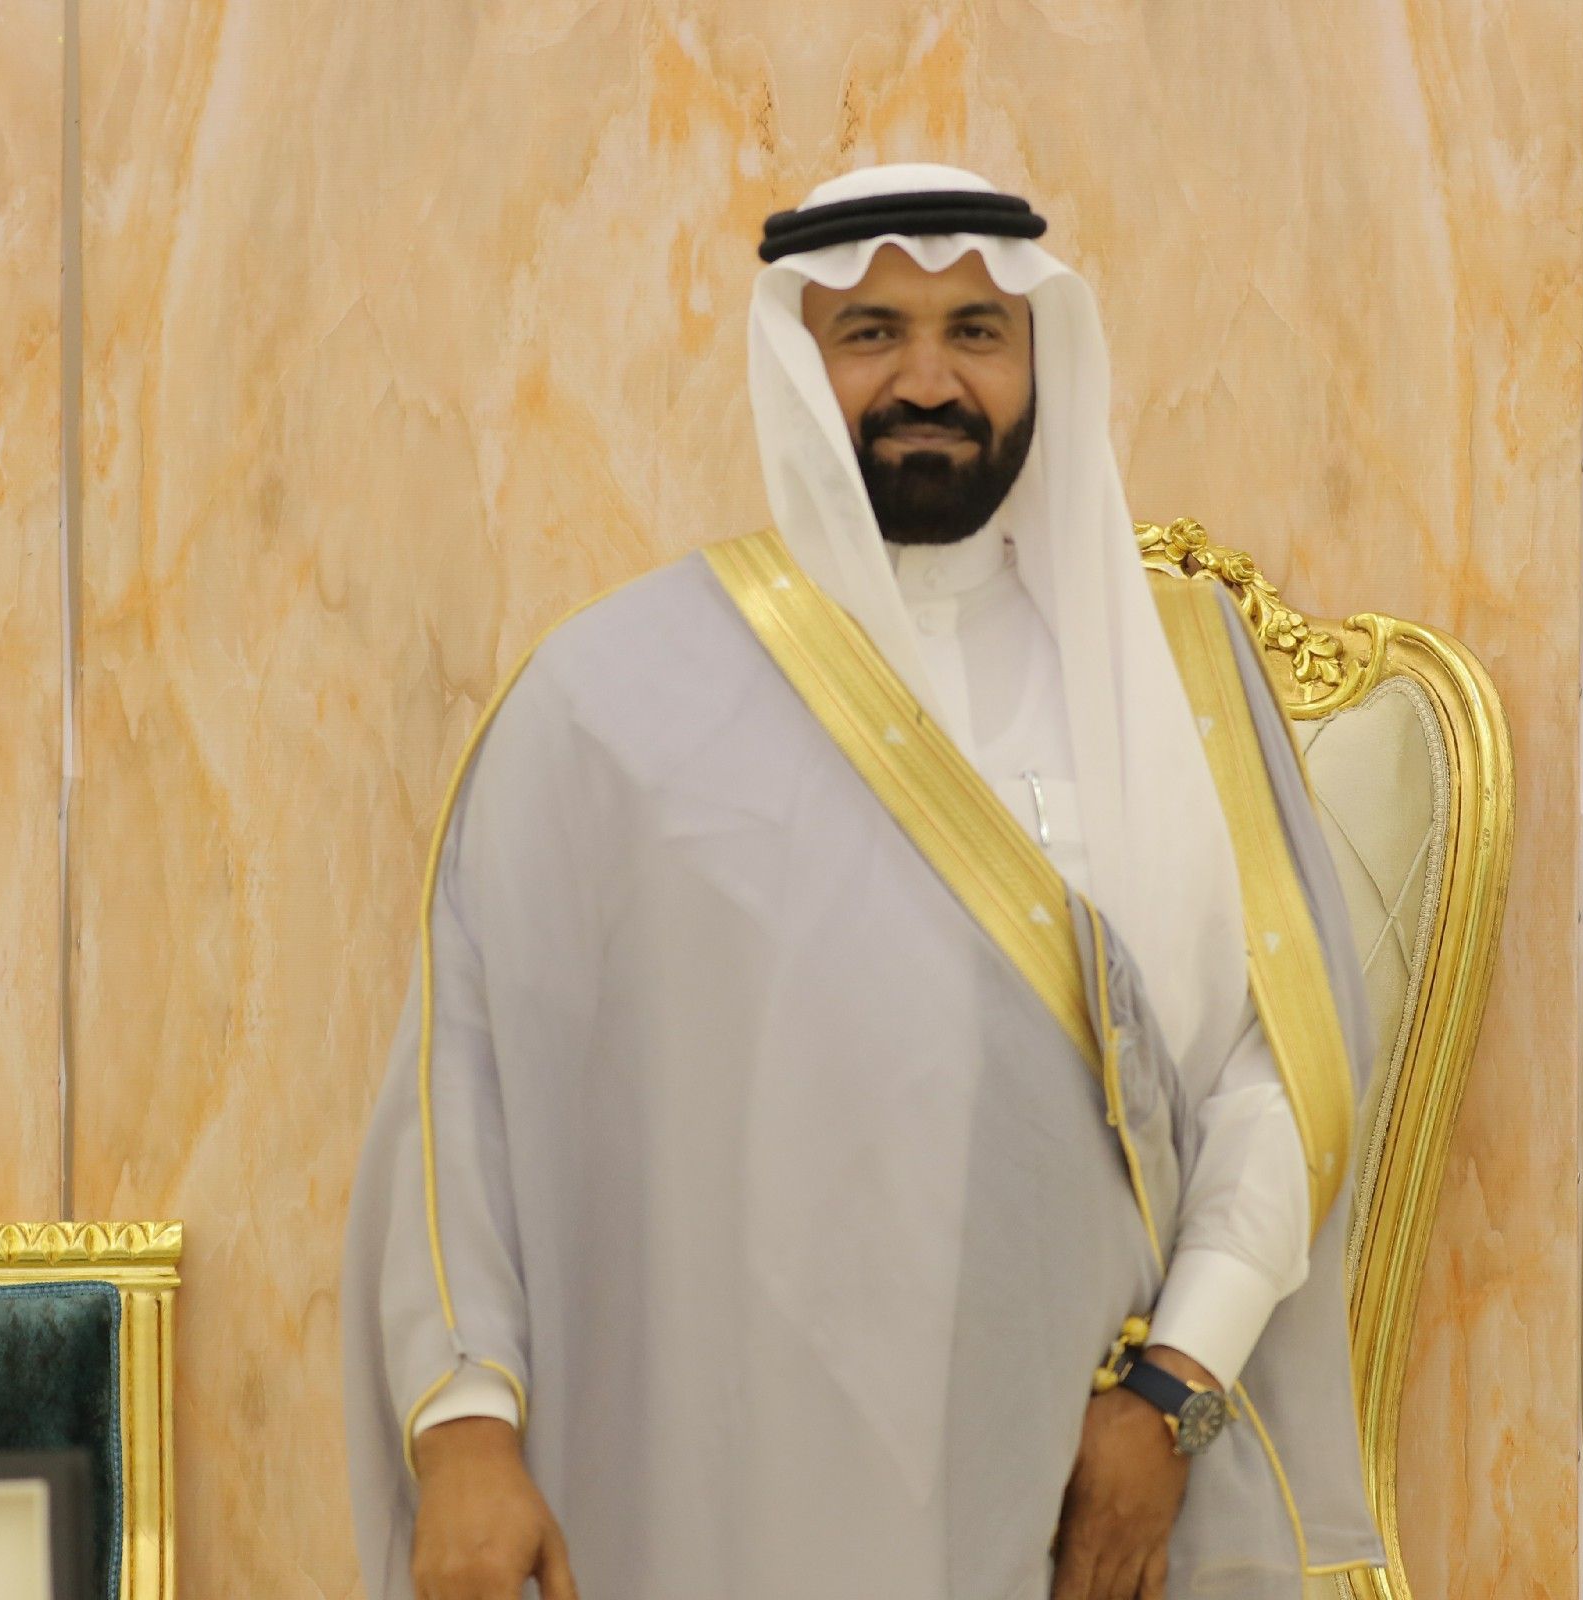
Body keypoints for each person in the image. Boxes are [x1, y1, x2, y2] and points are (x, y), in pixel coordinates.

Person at [342, 162, 1382, 1600]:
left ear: (1042, 358)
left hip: (1109, 1496)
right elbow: (468, 1082)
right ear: (796, 359)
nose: (928, 380)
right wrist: (466, 1429)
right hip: (755, 1480)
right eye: (872, 331)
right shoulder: (615, 703)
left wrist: (1171, 1394)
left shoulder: (1181, 673)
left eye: (977, 331)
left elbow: (1287, 1072)